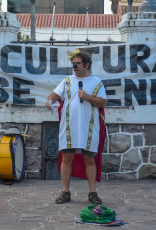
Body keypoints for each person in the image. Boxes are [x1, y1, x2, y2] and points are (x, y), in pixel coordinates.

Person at [46, 48, 107, 204]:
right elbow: (54, 95)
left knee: (89, 159)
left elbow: (103, 102)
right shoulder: (67, 80)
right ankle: (65, 192)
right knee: (66, 158)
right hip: (69, 127)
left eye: (78, 64)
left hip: (89, 126)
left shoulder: (96, 82)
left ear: (87, 64)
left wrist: (87, 97)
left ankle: (92, 193)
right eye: (73, 64)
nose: (75, 67)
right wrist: (50, 101)